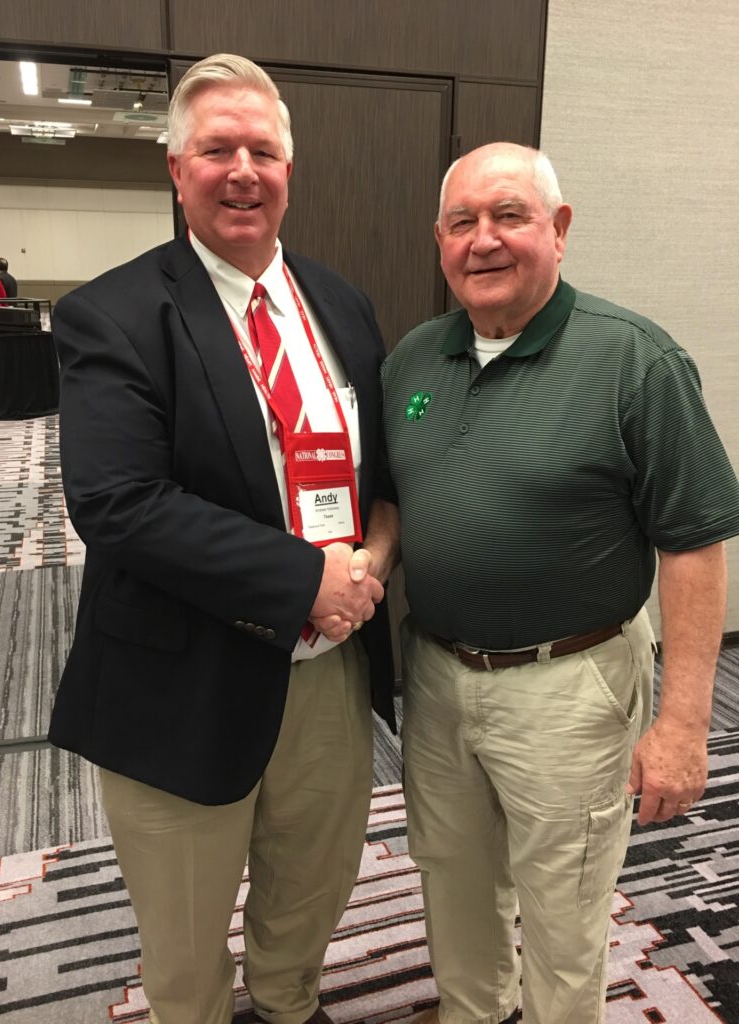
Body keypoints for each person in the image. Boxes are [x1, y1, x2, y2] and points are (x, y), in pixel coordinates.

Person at [49, 53, 394, 1024]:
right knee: (187, 931)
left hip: (329, 664)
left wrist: (369, 565)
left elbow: (378, 477)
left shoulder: (343, 305)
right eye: (216, 149)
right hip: (180, 675)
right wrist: (302, 578)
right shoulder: (113, 314)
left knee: (314, 879)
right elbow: (119, 501)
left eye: (264, 150)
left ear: (289, 168)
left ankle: (288, 1004)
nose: (243, 169)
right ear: (175, 169)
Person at [363, 142, 739, 1024]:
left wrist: (683, 726)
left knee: (564, 908)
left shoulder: (636, 361)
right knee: (452, 876)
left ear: (559, 230)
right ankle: (474, 1011)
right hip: (439, 675)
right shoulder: (414, 359)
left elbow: (695, 545)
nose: (483, 241)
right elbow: (390, 497)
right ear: (440, 240)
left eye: (509, 217)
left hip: (570, 685)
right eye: (463, 222)